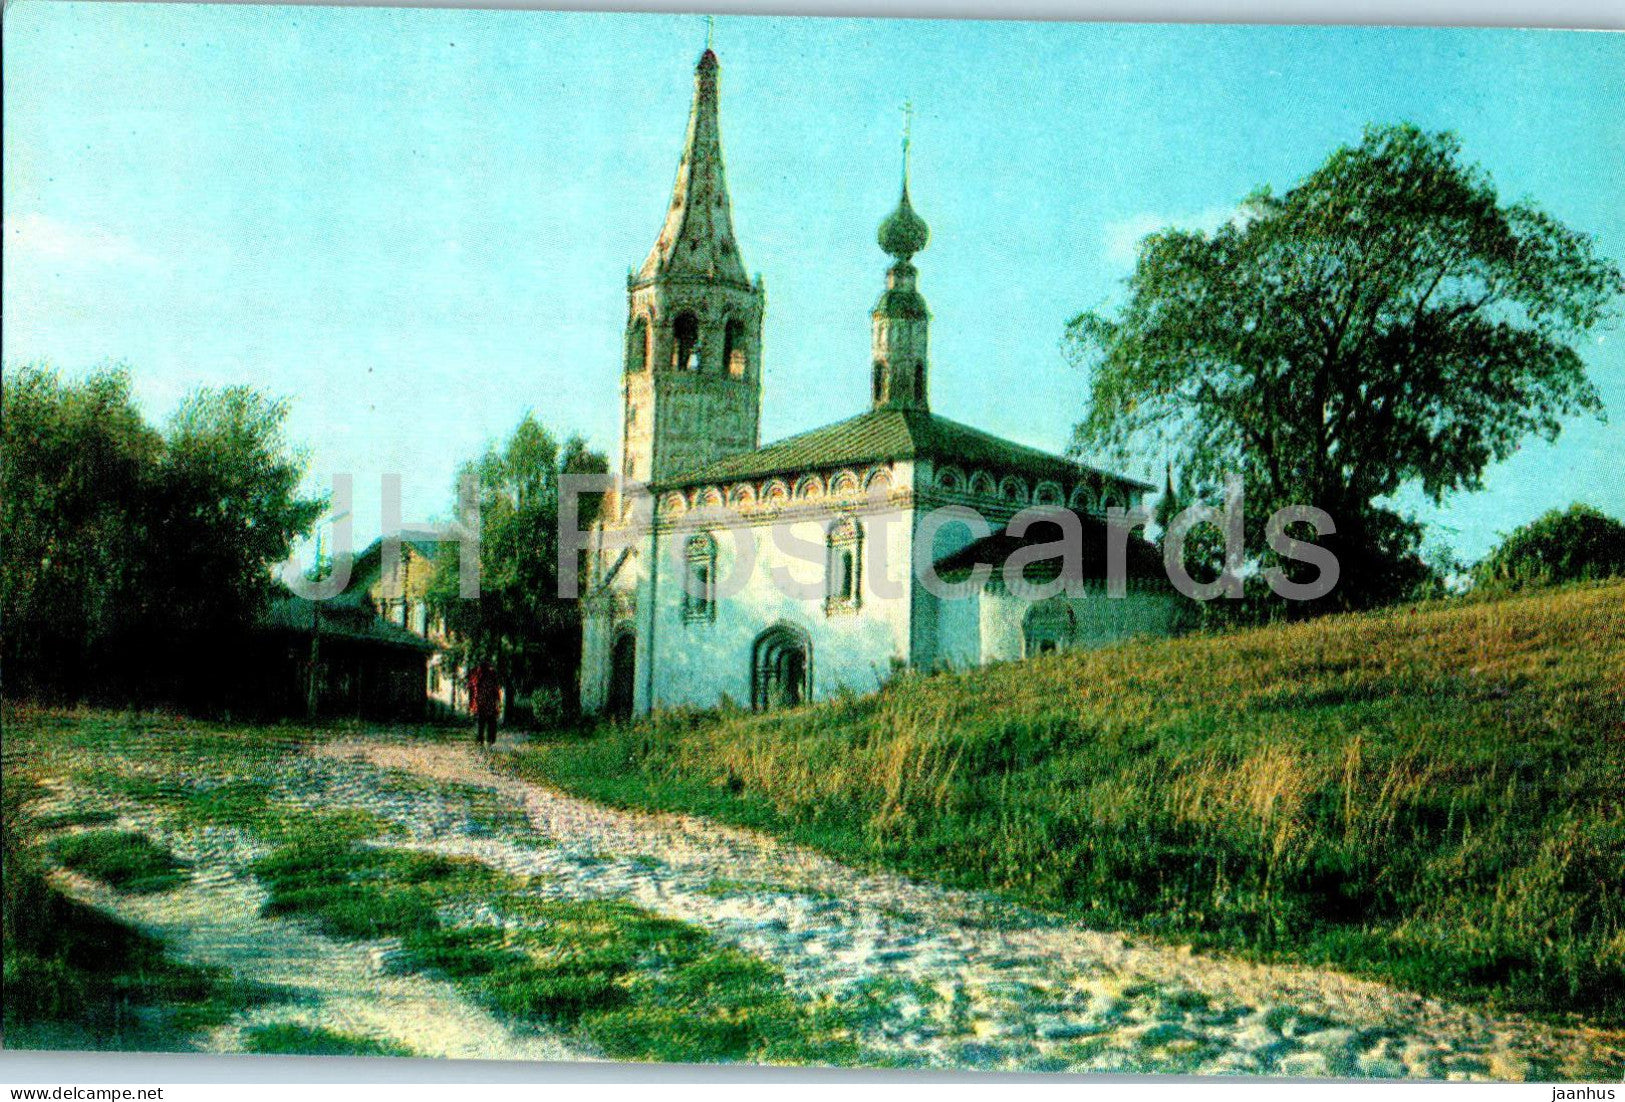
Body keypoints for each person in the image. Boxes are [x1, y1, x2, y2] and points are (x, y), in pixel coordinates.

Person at [468, 659, 499, 747]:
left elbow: (472, 690)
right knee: (487, 723)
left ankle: (484, 742)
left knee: (484, 724)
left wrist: (472, 705)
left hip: (483, 704)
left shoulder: (478, 675)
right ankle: (487, 742)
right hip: (485, 704)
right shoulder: (479, 675)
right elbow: (495, 689)